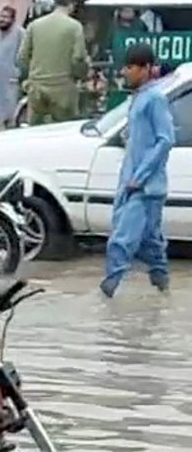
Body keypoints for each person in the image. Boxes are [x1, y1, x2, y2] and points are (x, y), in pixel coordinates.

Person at [101, 43, 174, 298]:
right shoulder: (139, 98)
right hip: (134, 183)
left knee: (120, 242)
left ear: (145, 69)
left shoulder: (155, 98)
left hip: (143, 186)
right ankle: (163, 292)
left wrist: (139, 177)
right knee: (151, 244)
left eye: (130, 67)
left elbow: (165, 139)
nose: (125, 72)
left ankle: (106, 296)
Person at [19, 0, 88, 124]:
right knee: (62, 131)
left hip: (37, 88)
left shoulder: (34, 25)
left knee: (35, 131)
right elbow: (78, 58)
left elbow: (22, 56)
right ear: (71, 6)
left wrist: (32, 75)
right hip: (63, 88)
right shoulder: (74, 27)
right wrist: (81, 75)